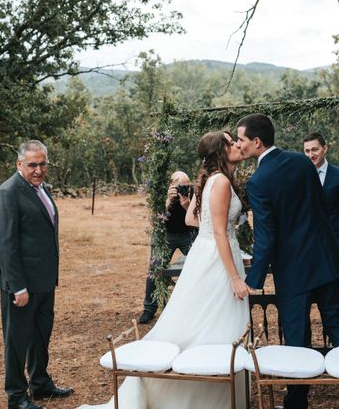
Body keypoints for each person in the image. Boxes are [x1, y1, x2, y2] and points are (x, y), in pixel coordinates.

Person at [78, 131, 250, 409]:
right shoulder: (219, 182)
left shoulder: (215, 180)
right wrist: (234, 277)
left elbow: (192, 218)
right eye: (231, 142)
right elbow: (218, 232)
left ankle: (216, 395)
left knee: (210, 322)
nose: (237, 146)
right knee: (212, 323)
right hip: (217, 260)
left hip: (211, 255)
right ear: (221, 150)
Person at [236, 115, 339, 409]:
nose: (238, 145)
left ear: (257, 142)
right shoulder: (301, 161)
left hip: (293, 271)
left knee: (297, 337)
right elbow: (321, 209)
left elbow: (266, 237)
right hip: (324, 262)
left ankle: (297, 404)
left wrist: (254, 279)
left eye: (241, 140)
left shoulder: (258, 182)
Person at [0, 140, 73, 409]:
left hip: (45, 281)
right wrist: (18, 287)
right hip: (21, 286)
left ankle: (40, 383)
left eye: (42, 164)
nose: (38, 170)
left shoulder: (41, 189)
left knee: (40, 336)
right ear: (19, 164)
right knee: (17, 342)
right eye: (32, 165)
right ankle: (16, 396)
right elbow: (6, 244)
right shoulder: (8, 192)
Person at [138, 170, 196, 324]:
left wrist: (187, 204)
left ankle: (195, 304)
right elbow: (154, 222)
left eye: (186, 186)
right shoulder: (161, 193)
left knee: (199, 264)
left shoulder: (194, 192)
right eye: (179, 186)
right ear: (171, 185)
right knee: (155, 268)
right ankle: (149, 309)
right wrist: (167, 202)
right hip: (165, 234)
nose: (183, 189)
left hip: (187, 233)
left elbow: (198, 218)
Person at [303, 132, 339, 251]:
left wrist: (336, 230)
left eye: (314, 149)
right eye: (307, 151)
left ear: (325, 148)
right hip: (307, 245)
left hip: (335, 243)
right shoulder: (299, 177)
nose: (311, 155)